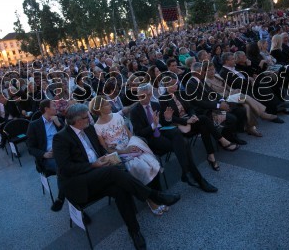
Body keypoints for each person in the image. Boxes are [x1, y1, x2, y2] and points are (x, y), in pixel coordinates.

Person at [53, 103, 181, 250]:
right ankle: (154, 196)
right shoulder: (60, 138)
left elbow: (100, 150)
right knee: (114, 172)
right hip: (79, 181)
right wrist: (94, 165)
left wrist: (112, 156)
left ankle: (134, 232)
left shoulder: (88, 129)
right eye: (86, 117)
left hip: (100, 173)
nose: (89, 118)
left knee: (120, 189)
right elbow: (66, 168)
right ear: (76, 120)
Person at [130, 83, 218, 192]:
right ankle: (198, 179)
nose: (145, 98)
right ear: (137, 96)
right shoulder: (134, 111)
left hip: (162, 131)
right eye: (141, 96)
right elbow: (139, 133)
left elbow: (164, 123)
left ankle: (188, 174)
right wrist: (153, 126)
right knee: (184, 143)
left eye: (148, 95)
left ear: (151, 94)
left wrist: (167, 119)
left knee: (177, 134)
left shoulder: (155, 105)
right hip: (151, 138)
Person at [90, 96, 166, 216]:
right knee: (142, 167)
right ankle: (151, 200)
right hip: (119, 154)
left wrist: (134, 144)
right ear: (99, 109)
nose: (110, 105)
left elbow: (129, 133)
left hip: (131, 145)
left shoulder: (117, 116)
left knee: (151, 161)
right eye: (106, 104)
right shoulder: (97, 127)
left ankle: (158, 196)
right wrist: (125, 150)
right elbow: (106, 149)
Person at [159, 74, 237, 171]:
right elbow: (168, 118)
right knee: (204, 121)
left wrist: (192, 115)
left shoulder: (181, 93)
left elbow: (190, 108)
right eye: (172, 84)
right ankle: (220, 142)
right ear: (166, 85)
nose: (176, 86)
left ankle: (211, 155)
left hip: (191, 121)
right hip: (180, 126)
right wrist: (186, 120)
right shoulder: (163, 99)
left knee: (204, 125)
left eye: (176, 83)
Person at [26, 100, 65, 211]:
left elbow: (70, 137)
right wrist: (44, 154)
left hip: (63, 152)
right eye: (53, 105)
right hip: (49, 157)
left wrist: (58, 124)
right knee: (62, 168)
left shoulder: (59, 120)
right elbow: (30, 147)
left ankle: (62, 197)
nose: (56, 107)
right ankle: (68, 200)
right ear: (46, 109)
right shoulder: (34, 125)